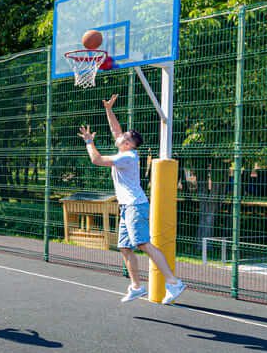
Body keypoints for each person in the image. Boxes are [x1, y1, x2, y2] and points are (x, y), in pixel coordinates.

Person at [78, 94, 186, 304]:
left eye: (124, 138)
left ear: (128, 144)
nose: (119, 136)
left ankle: (174, 283)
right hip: (127, 207)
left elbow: (96, 159)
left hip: (135, 206)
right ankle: (137, 286)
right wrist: (109, 109)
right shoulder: (126, 150)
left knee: (143, 244)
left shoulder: (126, 157)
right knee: (125, 247)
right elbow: (116, 130)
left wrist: (89, 141)